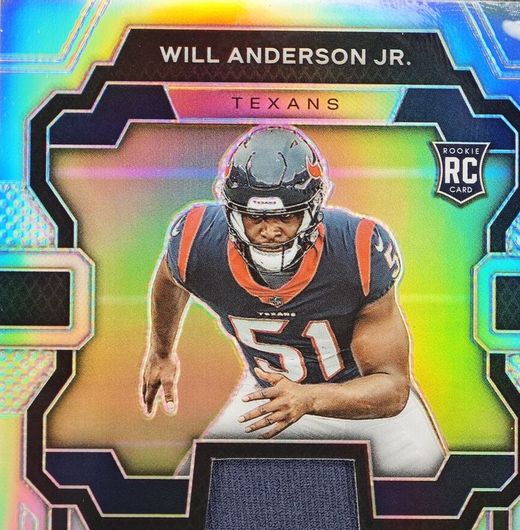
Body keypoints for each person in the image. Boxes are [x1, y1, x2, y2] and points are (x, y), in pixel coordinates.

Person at [140, 125, 445, 476]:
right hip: (273, 396)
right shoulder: (197, 240)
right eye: (255, 217)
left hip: (361, 403)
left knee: (431, 490)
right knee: (191, 488)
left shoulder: (357, 251)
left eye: (286, 216)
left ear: (313, 209)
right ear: (232, 212)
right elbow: (171, 279)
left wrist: (309, 398)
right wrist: (161, 352)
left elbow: (392, 387)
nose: (270, 231)